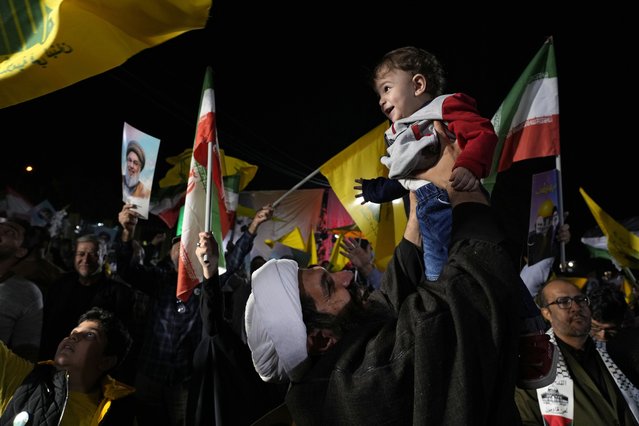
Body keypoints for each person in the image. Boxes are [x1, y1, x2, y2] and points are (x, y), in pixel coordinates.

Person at [241, 126, 527, 424]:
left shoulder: (333, 360)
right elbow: (464, 299)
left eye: (331, 274)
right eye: (329, 286)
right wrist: (462, 187)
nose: (346, 278)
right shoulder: (362, 384)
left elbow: (385, 303)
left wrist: (416, 217)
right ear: (320, 339)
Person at [186, 205, 289, 426]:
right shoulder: (170, 282)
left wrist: (253, 226)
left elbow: (230, 265)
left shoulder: (289, 351)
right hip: (190, 370)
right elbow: (212, 320)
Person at [117, 203, 202, 426]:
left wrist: (250, 230)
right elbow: (128, 271)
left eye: (187, 246)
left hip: (183, 377)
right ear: (170, 253)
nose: (181, 250)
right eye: (176, 246)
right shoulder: (159, 280)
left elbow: (230, 265)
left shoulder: (204, 287)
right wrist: (127, 233)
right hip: (150, 372)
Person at [515, 278, 639, 425]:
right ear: (546, 313)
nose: (575, 307)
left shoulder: (616, 352)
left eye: (580, 300)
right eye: (563, 302)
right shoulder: (537, 363)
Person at [0, 306, 136, 425]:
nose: (74, 337)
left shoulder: (119, 413)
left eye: (89, 335)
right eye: (73, 332)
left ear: (105, 361)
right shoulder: (24, 377)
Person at [39, 233, 139, 380]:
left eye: (93, 254)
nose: (85, 260)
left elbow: (122, 341)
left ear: (104, 258)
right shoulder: (59, 285)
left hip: (91, 374)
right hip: (52, 366)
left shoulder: (121, 294)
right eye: (81, 254)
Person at [0, 217, 43, 362]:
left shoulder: (28, 294)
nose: (1, 231)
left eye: (11, 233)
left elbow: (25, 354)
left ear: (21, 252)